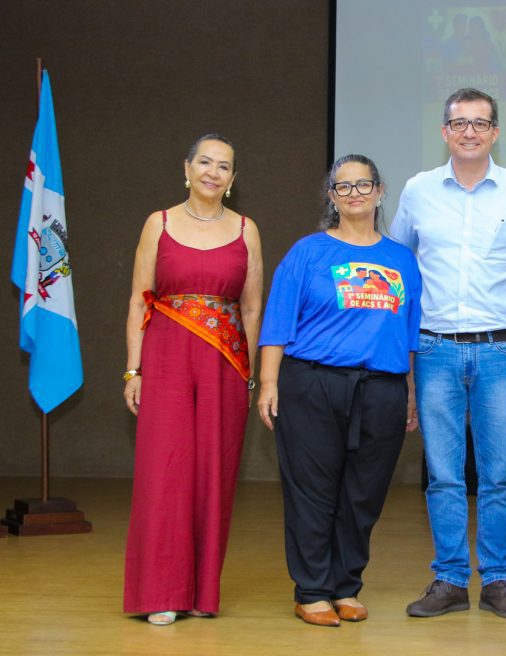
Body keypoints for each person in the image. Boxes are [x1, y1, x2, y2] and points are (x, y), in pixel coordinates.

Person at [391, 87, 506, 619]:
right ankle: (451, 579)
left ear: (496, 133)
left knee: (500, 473)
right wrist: (406, 370)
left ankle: (499, 580)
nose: (470, 132)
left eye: (481, 124)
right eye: (460, 123)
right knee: (442, 474)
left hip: (502, 353)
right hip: (434, 349)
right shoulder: (417, 192)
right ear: (444, 132)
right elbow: (400, 277)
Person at [257, 154, 421, 627]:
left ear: (380, 191)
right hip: (312, 384)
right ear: (332, 196)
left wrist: (408, 391)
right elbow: (278, 323)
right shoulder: (307, 252)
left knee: (363, 494)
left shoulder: (400, 259)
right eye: (343, 187)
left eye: (363, 184)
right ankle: (311, 590)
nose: (354, 193)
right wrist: (269, 383)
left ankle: (346, 585)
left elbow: (407, 334)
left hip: (382, 390)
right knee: (313, 491)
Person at [123, 134, 263, 626]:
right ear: (187, 168)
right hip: (165, 359)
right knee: (165, 472)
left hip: (225, 364)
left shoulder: (247, 230)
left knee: (214, 474)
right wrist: (134, 369)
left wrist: (250, 376)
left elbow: (250, 306)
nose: (212, 172)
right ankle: (160, 591)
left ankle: (203, 591)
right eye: (204, 162)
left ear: (233, 179)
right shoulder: (157, 224)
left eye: (224, 166)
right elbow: (141, 300)